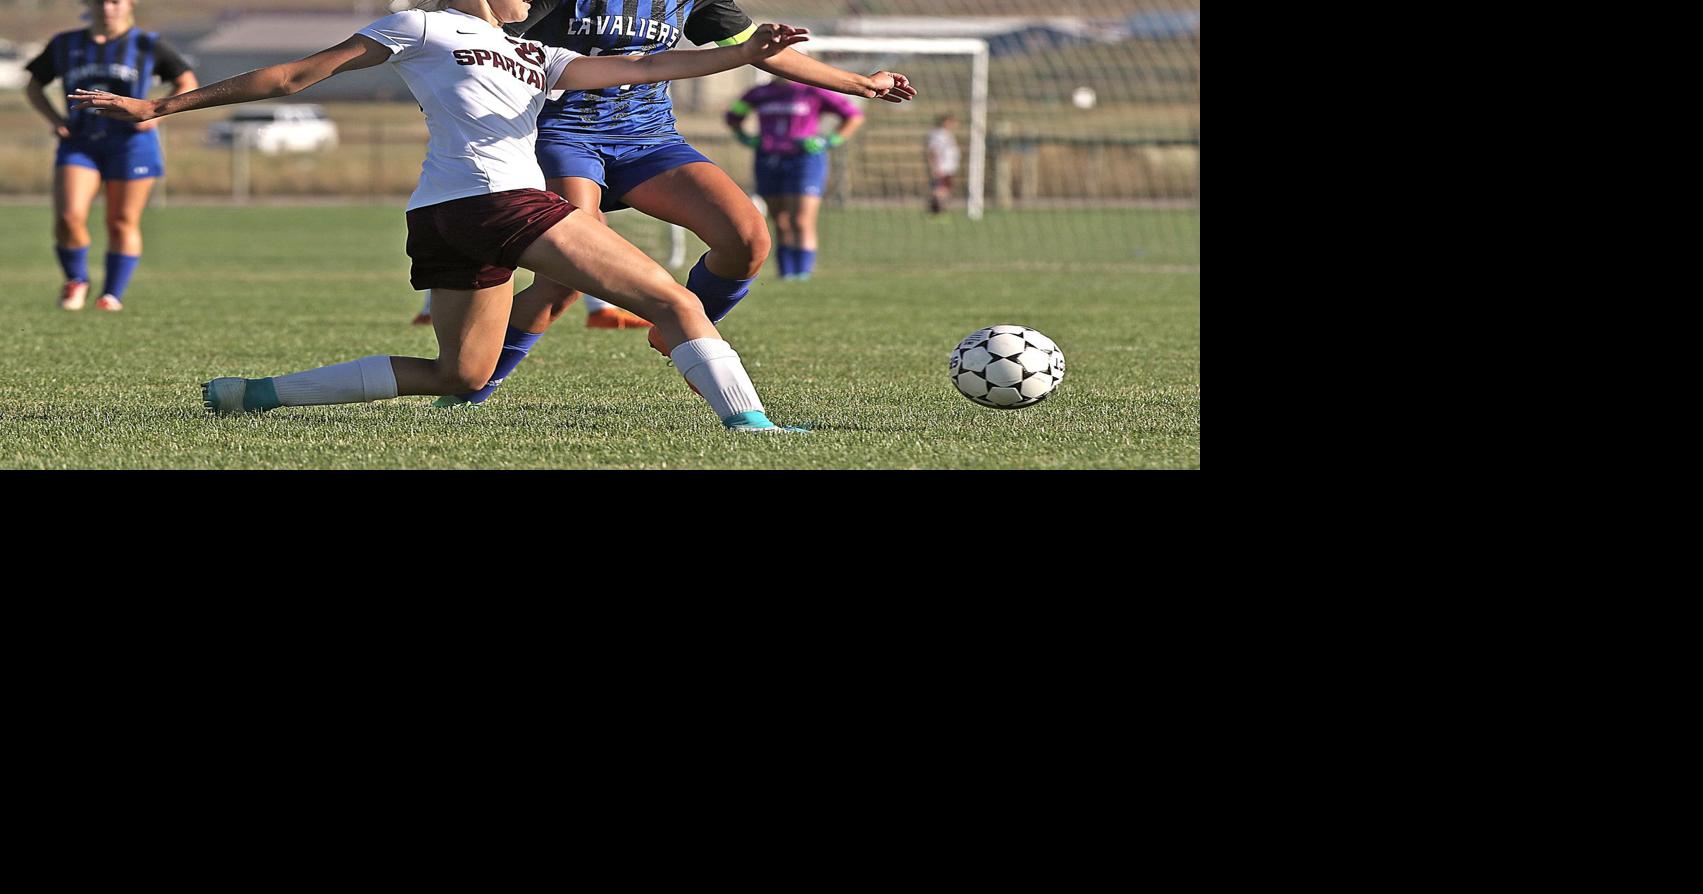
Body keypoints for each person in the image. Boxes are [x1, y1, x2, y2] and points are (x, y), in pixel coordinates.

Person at [71, 0, 812, 433]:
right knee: (676, 301)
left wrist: (746, 51)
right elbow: (294, 76)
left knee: (459, 374)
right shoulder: (421, 26)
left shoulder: (532, 53)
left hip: (445, 216)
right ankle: (752, 426)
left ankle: (253, 394)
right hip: (499, 203)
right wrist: (161, 106)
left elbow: (650, 68)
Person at [434, 0, 916, 407]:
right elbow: (482, 34)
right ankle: (469, 389)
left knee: (747, 238)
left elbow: (759, 53)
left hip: (649, 140)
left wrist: (859, 83)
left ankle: (680, 327)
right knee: (564, 281)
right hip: (560, 136)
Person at [25, 0, 198, 312]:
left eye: (115, 1)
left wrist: (155, 115)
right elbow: (34, 85)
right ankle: (76, 279)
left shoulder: (147, 44)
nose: (107, 8)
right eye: (99, 1)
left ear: (130, 4)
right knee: (68, 217)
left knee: (121, 220)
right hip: (80, 142)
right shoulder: (65, 44)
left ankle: (111, 296)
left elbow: (186, 82)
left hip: (131, 143)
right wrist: (55, 120)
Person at [727, 70, 864, 281]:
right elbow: (734, 116)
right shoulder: (759, 93)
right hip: (768, 159)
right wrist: (745, 137)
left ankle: (803, 273)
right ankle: (787, 274)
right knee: (779, 220)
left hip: (805, 160)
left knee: (801, 219)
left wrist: (829, 141)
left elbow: (853, 116)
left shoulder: (813, 90)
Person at [925, 114, 959, 216]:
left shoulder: (947, 134)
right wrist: (935, 166)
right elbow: (933, 150)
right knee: (940, 191)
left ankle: (938, 211)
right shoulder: (938, 134)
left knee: (945, 191)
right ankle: (935, 212)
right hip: (941, 167)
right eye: (950, 121)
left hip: (949, 167)